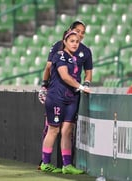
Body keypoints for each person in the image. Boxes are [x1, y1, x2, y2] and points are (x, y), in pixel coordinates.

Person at [37, 21, 93, 169]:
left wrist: (84, 85)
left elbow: (87, 72)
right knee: (53, 129)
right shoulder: (59, 54)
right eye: (72, 40)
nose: (76, 42)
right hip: (57, 96)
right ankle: (45, 162)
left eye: (78, 39)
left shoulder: (82, 54)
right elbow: (64, 76)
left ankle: (67, 165)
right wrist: (44, 85)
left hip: (72, 97)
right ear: (65, 41)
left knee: (67, 130)